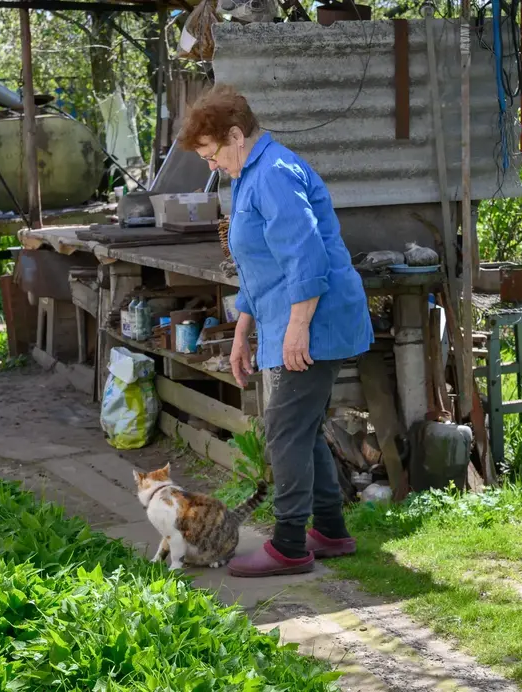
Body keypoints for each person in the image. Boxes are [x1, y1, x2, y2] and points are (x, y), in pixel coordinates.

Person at [178, 84, 373, 577]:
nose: (210, 165)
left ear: (236, 136)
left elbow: (306, 259)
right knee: (301, 429)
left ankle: (290, 546)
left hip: (317, 318)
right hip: (288, 314)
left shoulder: (274, 175)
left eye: (210, 153)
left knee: (285, 431)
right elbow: (258, 265)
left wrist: (297, 329)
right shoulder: (247, 174)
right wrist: (243, 330)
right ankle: (329, 532)